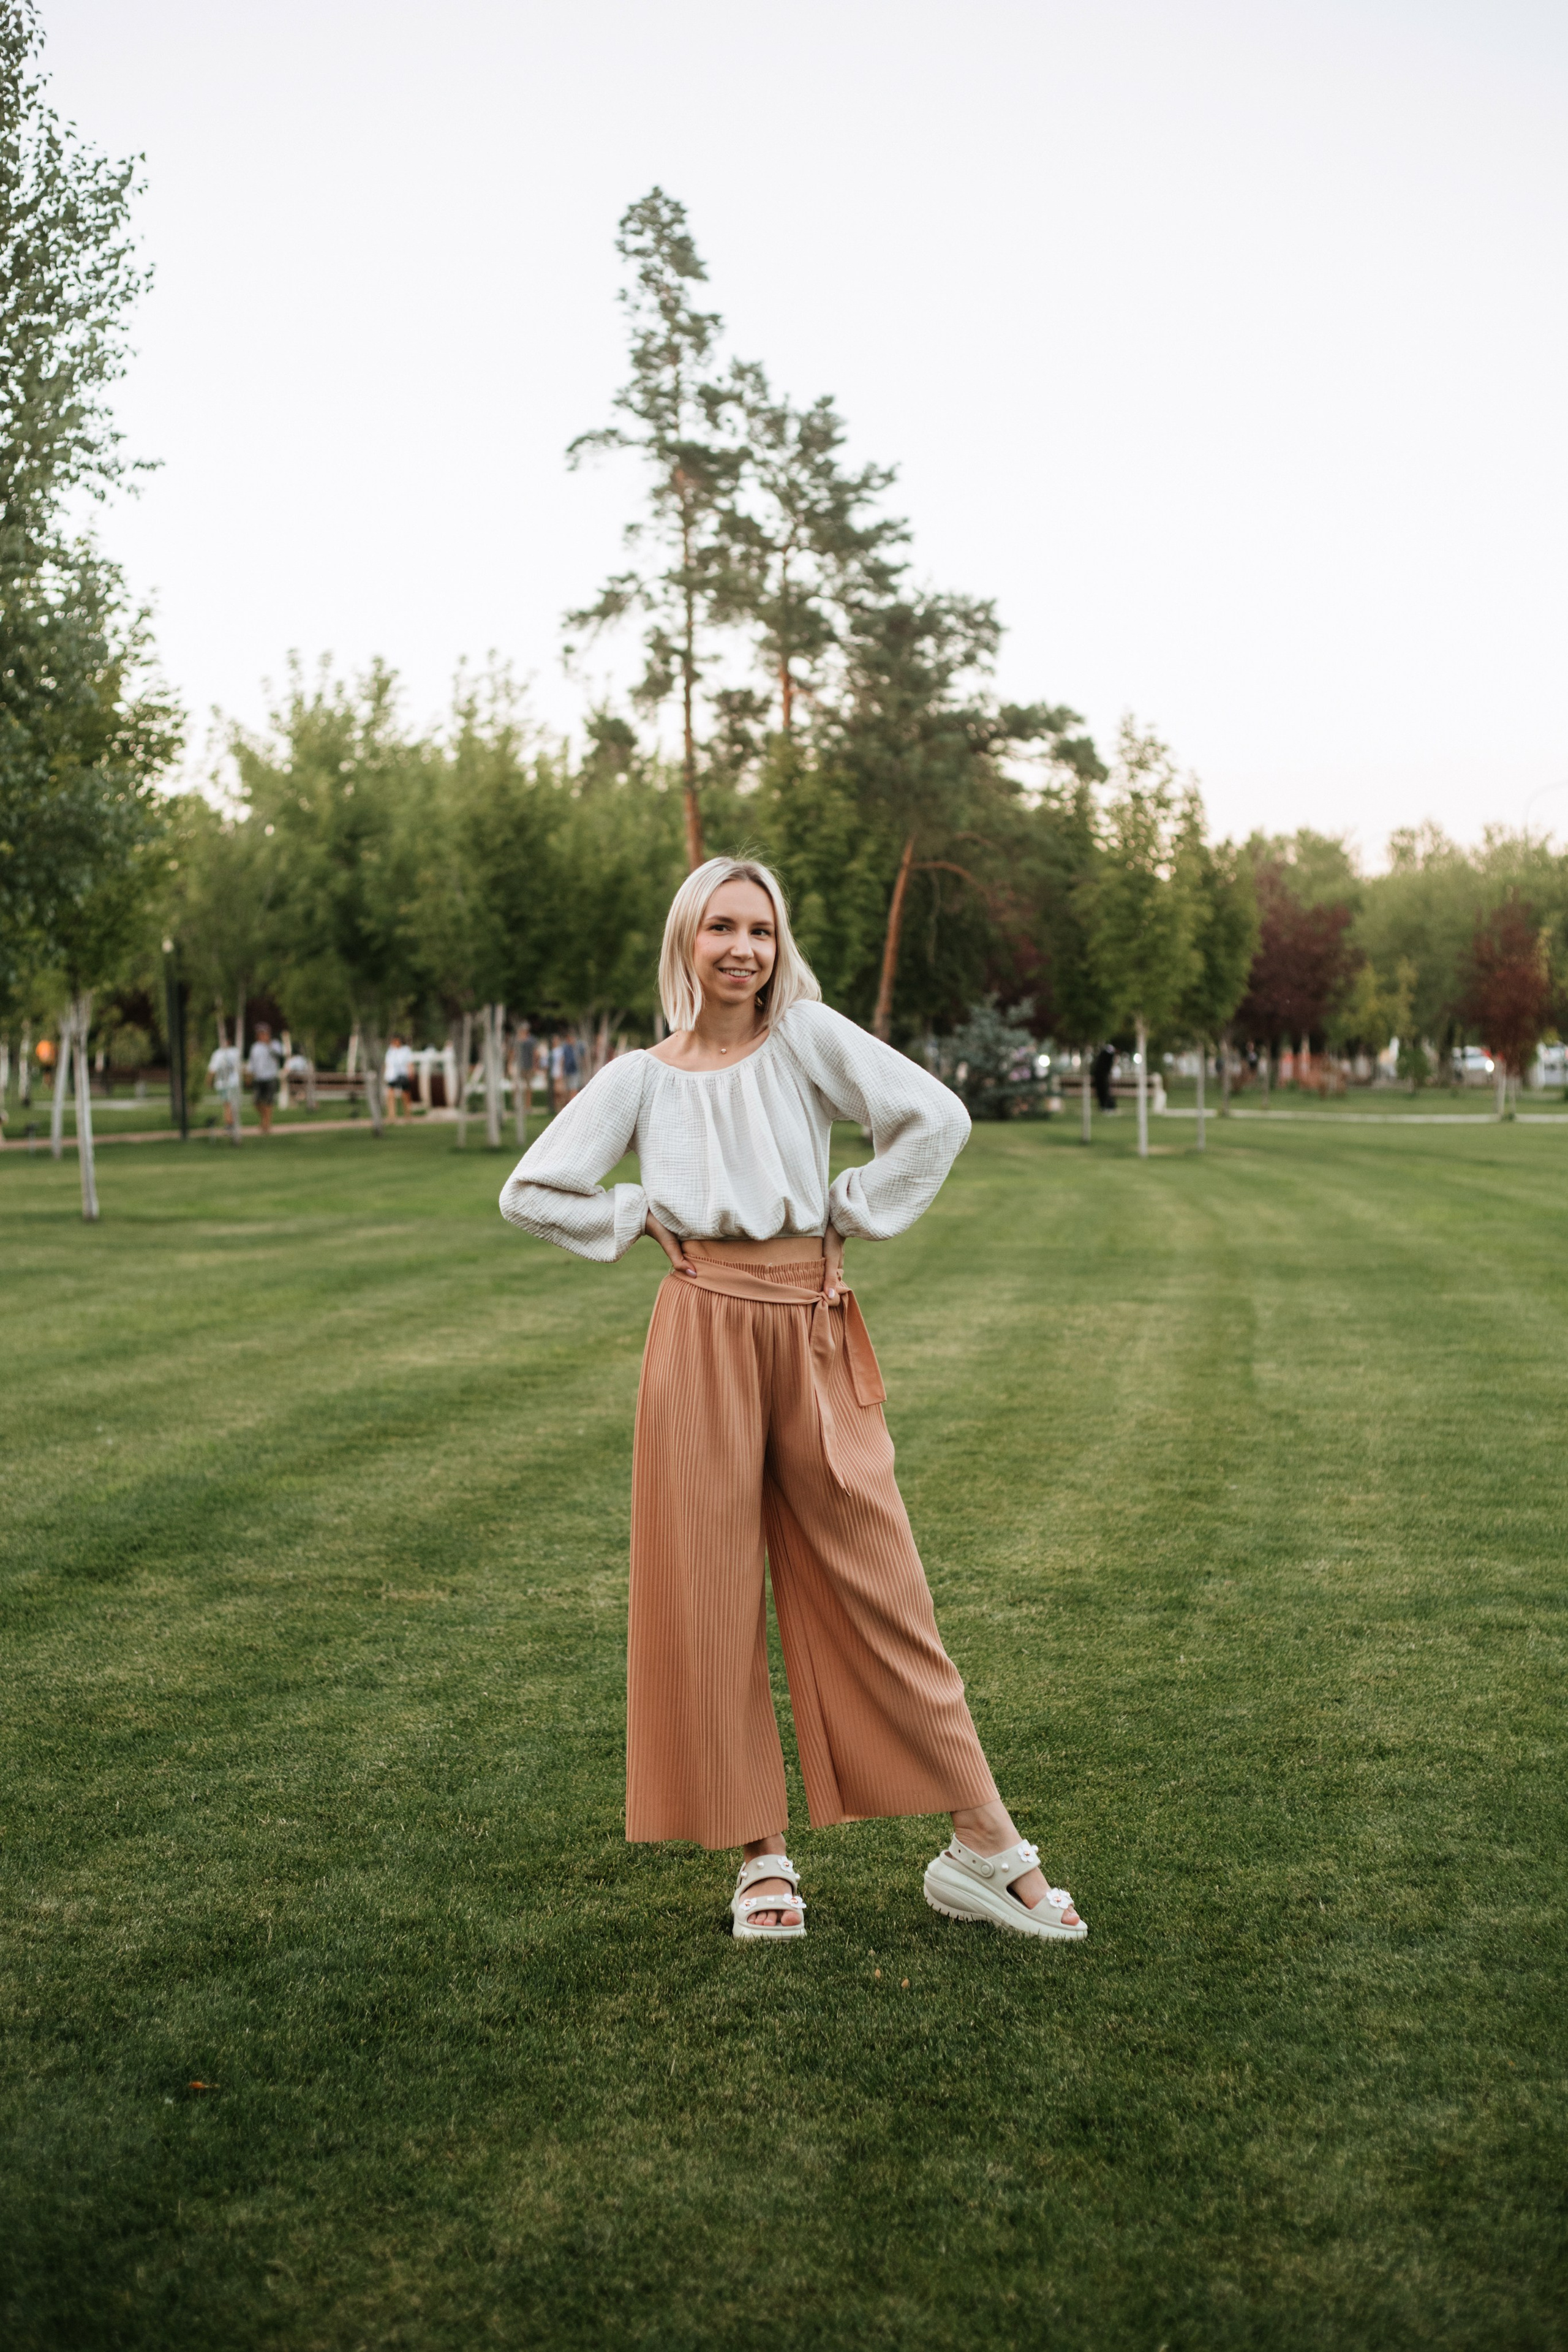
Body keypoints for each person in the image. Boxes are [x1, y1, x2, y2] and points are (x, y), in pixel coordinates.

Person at [499, 857, 1086, 1947]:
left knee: (882, 1581)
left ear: (780, 945)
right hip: (699, 1333)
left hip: (810, 1327)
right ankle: (760, 1859)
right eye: (720, 928)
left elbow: (937, 1119)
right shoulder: (640, 1078)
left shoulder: (809, 1036)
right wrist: (631, 1212)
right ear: (688, 942)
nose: (742, 950)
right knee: (710, 1594)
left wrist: (848, 1206)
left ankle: (984, 1844)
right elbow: (530, 1190)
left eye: (760, 931)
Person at [247, 1025, 282, 1136]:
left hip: (270, 1077)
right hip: (259, 1077)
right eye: (260, 1033)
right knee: (256, 1102)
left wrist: (269, 1044)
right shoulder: (255, 1047)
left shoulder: (275, 1044)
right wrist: (249, 1075)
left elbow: (279, 1055)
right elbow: (252, 1062)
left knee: (268, 1102)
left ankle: (267, 1124)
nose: (262, 1035)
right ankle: (265, 1119)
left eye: (264, 1033)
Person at [207, 1037, 241, 1134]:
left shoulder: (226, 1053)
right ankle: (230, 1123)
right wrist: (209, 1080)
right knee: (229, 1104)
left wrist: (209, 1081)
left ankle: (229, 1124)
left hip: (228, 1083)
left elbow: (212, 1069)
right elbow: (213, 1069)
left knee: (228, 1104)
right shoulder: (223, 1053)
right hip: (225, 1083)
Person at [383, 1034, 415, 1121]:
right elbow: (387, 1063)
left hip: (403, 1074)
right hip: (392, 1075)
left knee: (405, 1095)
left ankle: (408, 1114)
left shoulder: (406, 1051)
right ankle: (391, 1115)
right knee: (390, 1094)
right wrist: (385, 1075)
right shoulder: (390, 1051)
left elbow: (410, 1062)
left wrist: (411, 1072)